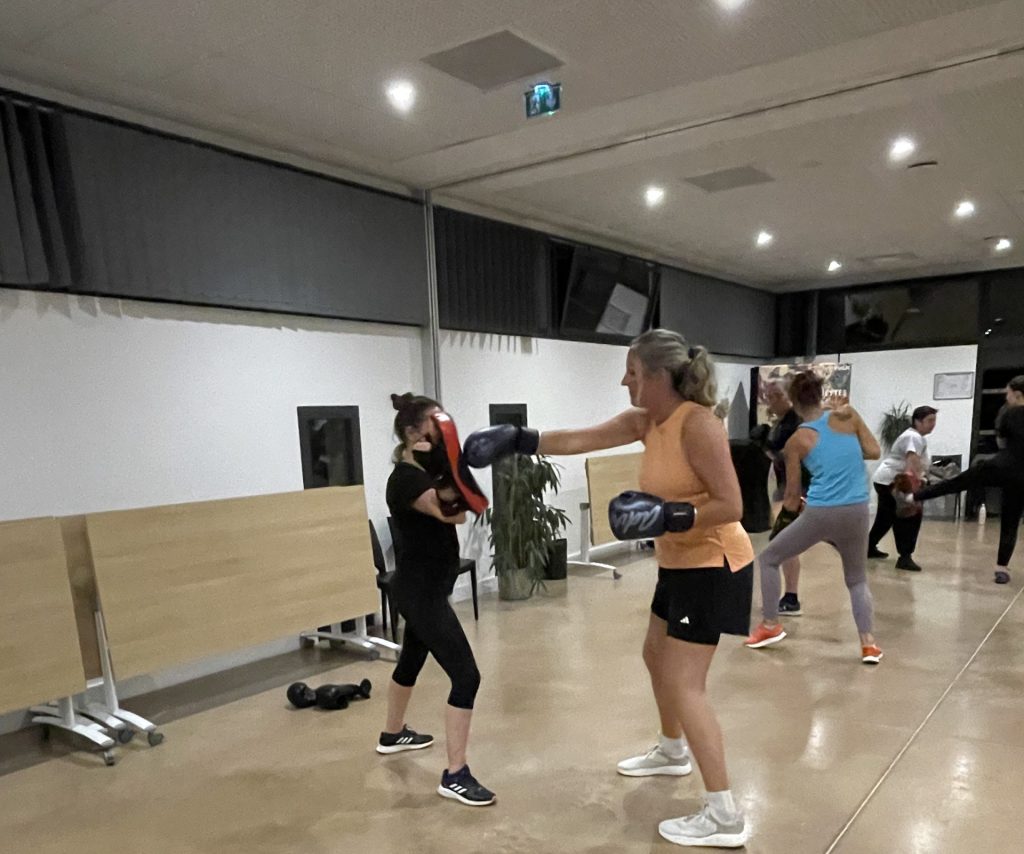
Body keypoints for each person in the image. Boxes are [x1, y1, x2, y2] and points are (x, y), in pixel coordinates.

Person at [465, 329, 754, 849]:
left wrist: (670, 514)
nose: (625, 380)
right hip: (680, 562)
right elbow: (581, 439)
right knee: (654, 655)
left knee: (686, 684)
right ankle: (671, 751)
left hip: (714, 563)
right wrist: (517, 440)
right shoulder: (648, 421)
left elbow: (733, 504)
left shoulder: (699, 425)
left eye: (633, 373)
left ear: (660, 377)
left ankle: (724, 814)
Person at [377, 393, 494, 807]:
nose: (444, 431)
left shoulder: (422, 474)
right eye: (434, 426)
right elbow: (452, 513)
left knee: (411, 660)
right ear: (413, 434)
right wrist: (444, 469)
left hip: (426, 586)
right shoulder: (407, 480)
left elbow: (462, 509)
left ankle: (392, 734)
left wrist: (444, 468)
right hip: (421, 592)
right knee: (467, 676)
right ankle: (456, 774)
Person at [745, 371, 884, 664]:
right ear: (821, 395)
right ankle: (868, 644)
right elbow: (873, 451)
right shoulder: (848, 417)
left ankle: (770, 624)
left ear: (794, 402)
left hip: (821, 511)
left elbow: (793, 497)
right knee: (857, 579)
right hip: (858, 509)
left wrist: (785, 519)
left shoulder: (797, 439)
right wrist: (846, 441)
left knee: (769, 558)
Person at [903, 377, 1024, 584]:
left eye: (1008, 394)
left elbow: (1001, 440)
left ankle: (914, 496)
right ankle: (1001, 569)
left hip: (1001, 465)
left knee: (956, 483)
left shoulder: (1010, 413)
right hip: (1022, 474)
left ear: (1017, 394)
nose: (1006, 397)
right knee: (1011, 521)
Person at [867, 406, 938, 572]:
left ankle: (868, 547)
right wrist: (916, 485)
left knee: (886, 517)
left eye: (934, 420)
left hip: (885, 480)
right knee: (908, 518)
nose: (933, 424)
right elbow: (911, 461)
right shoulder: (913, 437)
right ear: (917, 421)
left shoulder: (915, 436)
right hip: (894, 483)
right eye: (929, 420)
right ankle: (905, 557)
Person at [763, 381, 808, 614]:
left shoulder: (795, 422)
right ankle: (790, 596)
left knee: (785, 543)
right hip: (786, 487)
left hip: (798, 489)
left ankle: (791, 597)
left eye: (778, 395)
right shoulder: (780, 423)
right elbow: (777, 456)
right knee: (786, 543)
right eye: (769, 396)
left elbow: (792, 457)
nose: (773, 400)